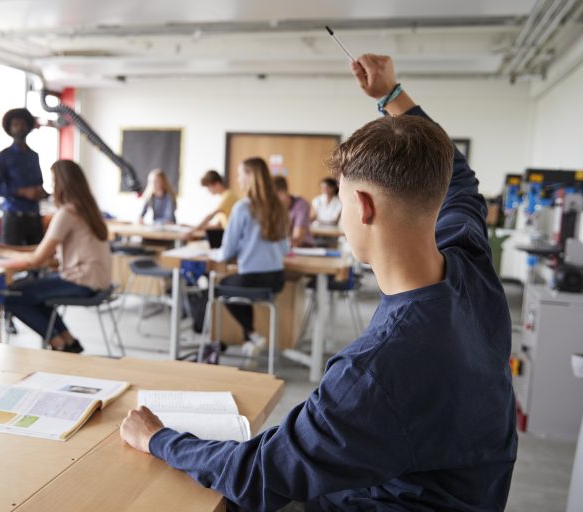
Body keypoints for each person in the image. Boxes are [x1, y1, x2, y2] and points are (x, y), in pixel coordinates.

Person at [120, 54, 517, 511]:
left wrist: (159, 438)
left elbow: (258, 475)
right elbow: (460, 177)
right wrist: (391, 97)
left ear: (363, 207)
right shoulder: (471, 265)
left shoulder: (375, 371)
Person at [0, 160, 111, 353]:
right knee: (30, 292)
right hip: (96, 279)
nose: (51, 188)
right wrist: (8, 248)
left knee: (10, 295)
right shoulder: (88, 210)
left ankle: (60, 345)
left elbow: (38, 259)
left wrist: (3, 252)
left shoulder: (67, 213)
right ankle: (68, 341)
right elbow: (43, 249)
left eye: (54, 182)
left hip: (81, 281)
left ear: (62, 184)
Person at [209, 157, 288, 359]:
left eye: (240, 173)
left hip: (252, 279)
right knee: (240, 289)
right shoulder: (278, 206)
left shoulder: (243, 207)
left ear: (250, 176)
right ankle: (250, 341)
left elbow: (226, 252)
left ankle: (252, 335)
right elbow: (285, 247)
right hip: (277, 279)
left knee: (220, 288)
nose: (237, 178)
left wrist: (213, 254)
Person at [0, 107, 48, 246]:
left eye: (23, 124)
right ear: (10, 129)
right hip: (13, 217)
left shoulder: (33, 156)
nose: (20, 127)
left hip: (34, 217)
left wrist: (41, 193)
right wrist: (22, 192)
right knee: (11, 260)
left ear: (28, 127)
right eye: (16, 124)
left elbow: (39, 182)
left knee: (37, 262)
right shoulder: (3, 157)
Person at [181, 170, 238, 241]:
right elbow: (218, 226)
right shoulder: (224, 197)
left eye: (208, 187)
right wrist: (192, 227)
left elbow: (210, 216)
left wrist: (192, 231)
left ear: (217, 184)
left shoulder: (228, 196)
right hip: (227, 235)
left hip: (232, 237)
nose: (208, 190)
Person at [272, 175, 313, 247]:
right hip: (281, 249)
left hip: (303, 248)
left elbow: (297, 238)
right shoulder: (271, 207)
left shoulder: (301, 204)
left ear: (282, 193)